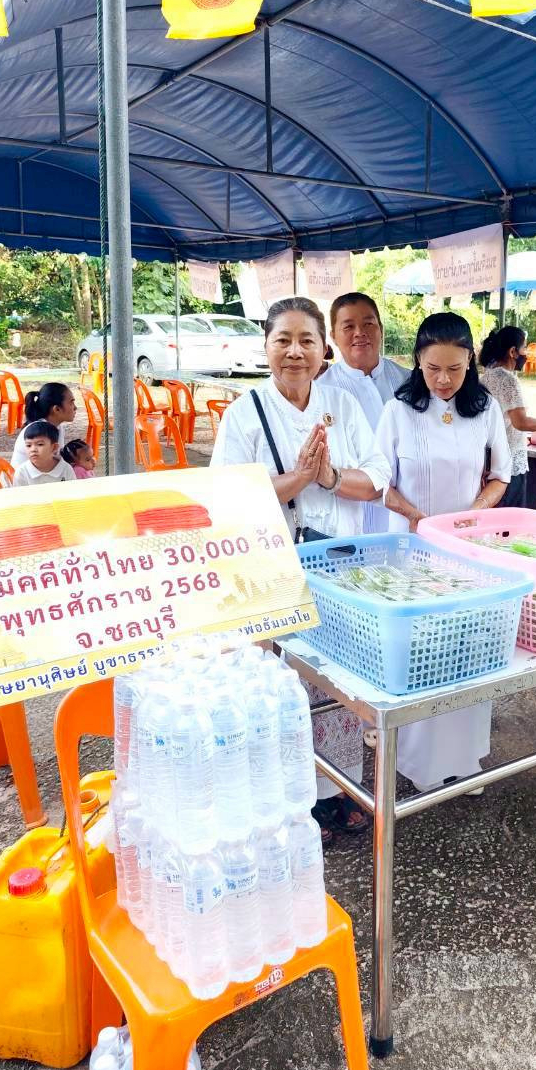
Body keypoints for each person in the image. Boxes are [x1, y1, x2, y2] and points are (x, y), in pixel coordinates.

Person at [210, 296, 390, 843]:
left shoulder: (344, 405)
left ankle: (335, 794)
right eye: (283, 339)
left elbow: (378, 477)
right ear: (266, 346)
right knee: (283, 683)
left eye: (306, 340)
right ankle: (286, 798)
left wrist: (331, 476)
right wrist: (297, 479)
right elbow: (229, 494)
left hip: (340, 567)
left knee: (336, 681)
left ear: (323, 349)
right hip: (275, 571)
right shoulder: (247, 411)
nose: (294, 351)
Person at [376, 312, 512, 791]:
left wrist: (469, 517)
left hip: (466, 550)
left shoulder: (485, 407)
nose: (444, 380)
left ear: (470, 362)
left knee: (468, 648)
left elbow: (501, 475)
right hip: (411, 550)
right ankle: (417, 760)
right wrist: (418, 517)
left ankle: (466, 758)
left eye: (455, 369)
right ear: (418, 361)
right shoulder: (398, 410)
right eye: (433, 368)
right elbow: (380, 483)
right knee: (421, 651)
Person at [319, 291, 409, 529]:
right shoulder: (321, 392)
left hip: (408, 505)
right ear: (333, 336)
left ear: (380, 328)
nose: (360, 333)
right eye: (348, 326)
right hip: (351, 506)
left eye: (368, 323)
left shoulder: (409, 381)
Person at [479, 324, 536, 508]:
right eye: (524, 348)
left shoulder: (487, 376)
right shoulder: (508, 380)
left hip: (490, 459)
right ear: (513, 351)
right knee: (509, 517)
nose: (526, 353)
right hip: (509, 461)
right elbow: (521, 422)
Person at [10, 382, 77, 470]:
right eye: (71, 402)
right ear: (56, 409)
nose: (75, 407)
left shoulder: (58, 427)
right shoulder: (41, 432)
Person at [12, 421, 76, 486]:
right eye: (28, 445)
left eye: (40, 444)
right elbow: (19, 495)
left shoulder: (66, 469)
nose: (33, 449)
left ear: (54, 447)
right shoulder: (22, 472)